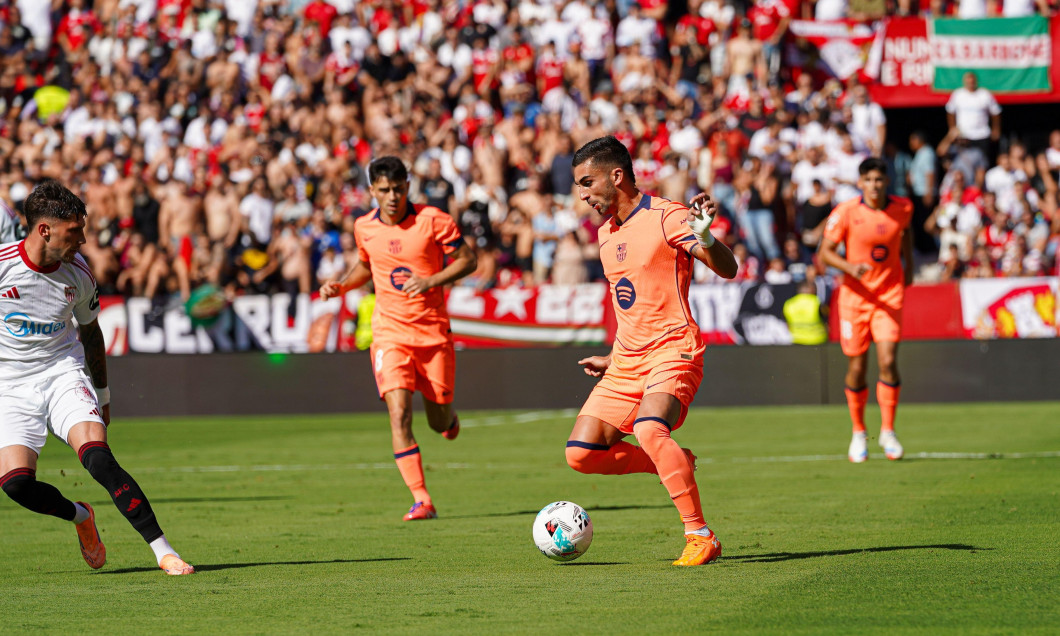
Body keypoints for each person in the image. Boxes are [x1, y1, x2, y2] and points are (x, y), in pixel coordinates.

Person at [0, 180, 193, 575]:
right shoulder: (3, 266)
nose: (83, 239)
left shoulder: (79, 275)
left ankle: (164, 551)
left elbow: (91, 333)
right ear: (44, 230)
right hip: (10, 386)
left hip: (61, 373)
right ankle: (81, 517)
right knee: (16, 485)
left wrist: (102, 395)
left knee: (99, 459)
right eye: (75, 231)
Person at [565, 136, 738, 566]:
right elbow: (633, 305)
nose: (583, 195)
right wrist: (613, 356)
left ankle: (699, 534)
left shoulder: (667, 217)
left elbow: (728, 269)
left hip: (673, 351)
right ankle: (671, 461)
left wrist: (706, 238)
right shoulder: (606, 235)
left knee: (649, 429)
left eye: (587, 183)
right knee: (581, 454)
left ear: (616, 176)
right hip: (627, 361)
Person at [319, 157, 476, 521]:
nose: (393, 197)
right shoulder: (364, 227)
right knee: (399, 414)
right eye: (385, 190)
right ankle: (422, 499)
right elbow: (366, 265)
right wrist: (341, 284)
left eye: (399, 189)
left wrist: (431, 280)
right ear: (372, 190)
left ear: (408, 186)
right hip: (390, 333)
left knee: (438, 422)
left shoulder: (433, 220)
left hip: (433, 333)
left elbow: (468, 260)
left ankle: (448, 421)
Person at [818, 158, 914, 463]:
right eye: (868, 180)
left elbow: (906, 235)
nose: (874, 185)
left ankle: (888, 430)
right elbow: (825, 253)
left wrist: (909, 266)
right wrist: (850, 267)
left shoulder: (904, 208)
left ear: (887, 181)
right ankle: (859, 431)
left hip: (888, 296)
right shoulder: (846, 212)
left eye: (879, 180)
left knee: (888, 361)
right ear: (860, 183)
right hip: (854, 301)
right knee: (857, 369)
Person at [783, 280, 828, 345]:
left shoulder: (789, 304)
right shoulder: (816, 302)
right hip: (817, 341)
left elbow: (786, 324)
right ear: (811, 289)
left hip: (796, 340)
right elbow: (826, 321)